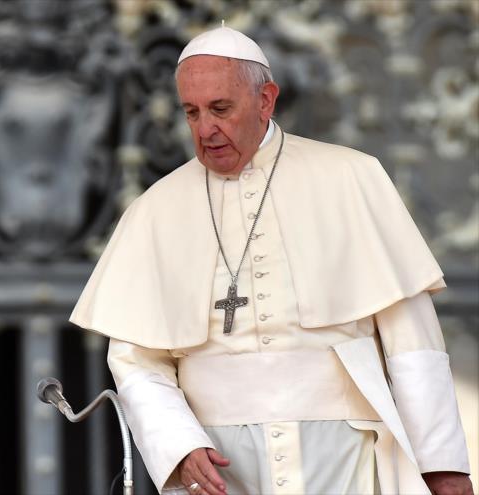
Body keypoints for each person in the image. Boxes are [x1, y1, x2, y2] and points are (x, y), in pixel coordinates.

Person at [70, 25, 473, 495]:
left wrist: (443, 467)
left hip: (340, 450)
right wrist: (178, 445)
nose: (205, 129)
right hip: (218, 462)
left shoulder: (350, 177)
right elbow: (136, 359)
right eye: (192, 113)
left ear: (265, 100)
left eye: (221, 109)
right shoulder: (155, 209)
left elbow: (413, 341)